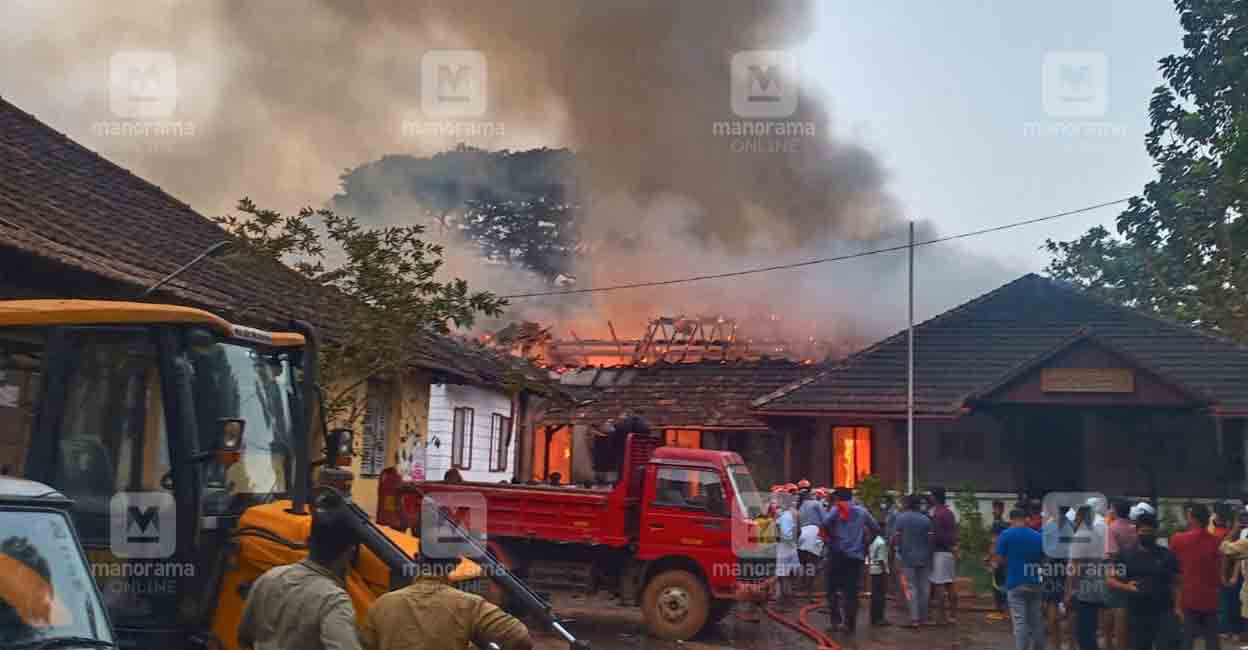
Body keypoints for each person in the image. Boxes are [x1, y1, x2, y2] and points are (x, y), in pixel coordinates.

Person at [238, 497, 363, 650]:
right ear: (349, 553)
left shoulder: (269, 578)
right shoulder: (333, 601)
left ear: (308, 542)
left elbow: (244, 638)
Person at [361, 549, 532, 650]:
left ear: (417, 558)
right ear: (456, 564)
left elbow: (364, 644)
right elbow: (520, 638)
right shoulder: (469, 605)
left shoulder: (382, 604)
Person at [1107, 513, 1179, 650]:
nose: (1147, 535)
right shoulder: (1126, 555)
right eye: (1144, 531)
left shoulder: (1166, 555)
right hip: (1136, 613)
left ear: (1156, 532)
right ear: (1137, 531)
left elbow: (1177, 582)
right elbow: (1110, 579)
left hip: (1163, 611)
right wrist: (1126, 587)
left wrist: (1178, 608)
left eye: (1150, 532)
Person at [819, 486, 879, 634]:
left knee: (832, 589)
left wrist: (831, 541)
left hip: (837, 555)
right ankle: (849, 625)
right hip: (855, 557)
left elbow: (824, 525)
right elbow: (876, 529)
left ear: (837, 498)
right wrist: (865, 544)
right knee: (851, 592)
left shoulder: (836, 509)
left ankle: (835, 622)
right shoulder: (862, 511)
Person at [1169, 503, 1221, 650]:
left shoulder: (1178, 539)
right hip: (1210, 597)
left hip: (1187, 596)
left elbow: (1172, 569)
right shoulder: (1215, 541)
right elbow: (1217, 570)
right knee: (1211, 639)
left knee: (1187, 638)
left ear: (1192, 519)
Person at [995, 507, 1046, 650]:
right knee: (1036, 620)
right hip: (1035, 582)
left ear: (1011, 519)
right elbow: (1043, 559)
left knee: (1020, 622)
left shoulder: (1006, 534)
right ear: (1025, 518)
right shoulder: (1038, 536)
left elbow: (999, 560)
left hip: (1015, 583)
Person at [1066, 505, 1107, 650]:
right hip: (1097, 587)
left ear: (1080, 518)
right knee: (1090, 631)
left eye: (1076, 518)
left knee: (1084, 634)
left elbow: (1074, 568)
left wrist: (1069, 591)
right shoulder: (1097, 535)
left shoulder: (1080, 536)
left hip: (1084, 590)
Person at [892, 494, 934, 628]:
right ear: (918, 505)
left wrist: (898, 551)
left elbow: (896, 538)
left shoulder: (900, 518)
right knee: (924, 588)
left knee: (911, 588)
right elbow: (931, 540)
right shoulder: (926, 520)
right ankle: (923, 617)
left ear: (907, 504)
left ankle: (914, 619)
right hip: (925, 557)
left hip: (907, 558)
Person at [1104, 498, 1138, 650]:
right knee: (1127, 608)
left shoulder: (1112, 528)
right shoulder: (1134, 527)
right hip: (1133, 570)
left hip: (1117, 569)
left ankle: (1115, 645)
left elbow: (1111, 553)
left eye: (1111, 508)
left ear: (1115, 510)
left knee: (1115, 608)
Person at [928, 486, 959, 625]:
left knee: (939, 585)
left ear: (935, 498)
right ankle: (953, 615)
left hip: (939, 552)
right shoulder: (949, 513)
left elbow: (937, 536)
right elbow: (954, 533)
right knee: (950, 583)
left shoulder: (937, 514)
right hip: (949, 552)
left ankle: (941, 617)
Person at [775, 493, 802, 611]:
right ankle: (788, 599)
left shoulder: (782, 515)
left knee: (783, 575)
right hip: (792, 547)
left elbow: (782, 534)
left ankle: (785, 601)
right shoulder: (795, 513)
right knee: (790, 574)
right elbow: (799, 531)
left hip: (784, 547)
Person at [868, 531, 890, 626]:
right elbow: (881, 560)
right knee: (880, 596)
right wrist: (885, 572)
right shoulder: (881, 542)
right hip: (880, 572)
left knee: (875, 596)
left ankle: (874, 618)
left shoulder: (873, 541)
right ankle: (879, 618)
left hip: (873, 570)